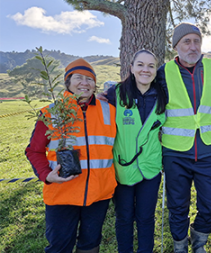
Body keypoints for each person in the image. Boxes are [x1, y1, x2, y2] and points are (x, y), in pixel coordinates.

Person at [25, 58, 117, 253]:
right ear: (68, 82)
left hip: (98, 194)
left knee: (90, 245)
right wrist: (46, 175)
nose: (85, 83)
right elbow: (34, 150)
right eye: (79, 78)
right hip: (62, 194)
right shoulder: (51, 113)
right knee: (59, 246)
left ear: (95, 84)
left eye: (90, 79)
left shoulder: (110, 111)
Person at [156, 22, 211, 253]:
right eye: (187, 41)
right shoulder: (163, 72)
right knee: (178, 205)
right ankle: (179, 245)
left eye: (197, 41)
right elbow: (141, 93)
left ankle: (199, 241)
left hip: (207, 151)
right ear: (176, 46)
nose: (193, 46)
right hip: (175, 153)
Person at [104, 49, 166, 252]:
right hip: (123, 169)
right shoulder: (115, 93)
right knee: (124, 217)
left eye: (150, 66)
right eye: (140, 65)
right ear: (131, 68)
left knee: (146, 218)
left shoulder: (163, 96)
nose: (145, 70)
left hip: (151, 168)